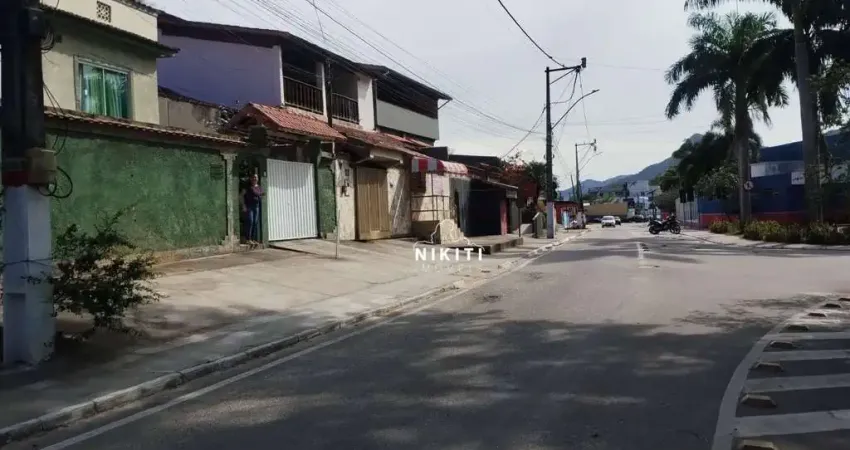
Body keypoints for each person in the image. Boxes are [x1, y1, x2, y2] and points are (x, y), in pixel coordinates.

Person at [240, 173, 264, 246]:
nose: (255, 179)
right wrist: (243, 205)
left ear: (258, 179)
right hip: (249, 206)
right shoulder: (247, 187)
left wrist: (259, 197)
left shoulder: (259, 187)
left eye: (256, 177)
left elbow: (262, 195)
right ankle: (248, 239)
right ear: (250, 179)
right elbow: (241, 195)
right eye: (253, 177)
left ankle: (253, 239)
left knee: (255, 223)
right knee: (250, 221)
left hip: (256, 207)